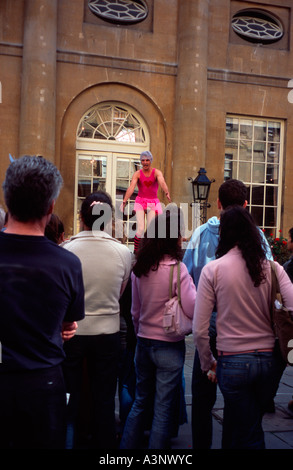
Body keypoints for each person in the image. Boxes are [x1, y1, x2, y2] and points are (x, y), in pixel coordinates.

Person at [0, 155, 85, 449]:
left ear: (7, 199)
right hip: (43, 383)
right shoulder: (68, 264)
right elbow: (67, 324)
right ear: (50, 207)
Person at [183, 178, 274, 449]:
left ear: (219, 204)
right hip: (243, 330)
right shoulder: (258, 239)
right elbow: (269, 279)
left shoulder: (200, 233)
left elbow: (185, 276)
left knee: (202, 398)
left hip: (208, 325)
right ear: (246, 205)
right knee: (238, 402)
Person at [193, 205, 293, 449]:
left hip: (232, 359)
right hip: (268, 360)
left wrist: (207, 362)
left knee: (247, 431)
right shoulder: (273, 268)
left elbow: (199, 328)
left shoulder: (213, 270)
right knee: (247, 423)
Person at [120, 208, 196, 449]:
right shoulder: (177, 270)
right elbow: (194, 308)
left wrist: (141, 330)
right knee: (162, 408)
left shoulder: (140, 269)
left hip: (143, 342)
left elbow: (134, 311)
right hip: (169, 346)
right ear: (173, 238)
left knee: (141, 402)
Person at [62, 190, 132, 449]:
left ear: (81, 218)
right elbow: (120, 293)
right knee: (104, 400)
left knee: (71, 398)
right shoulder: (123, 253)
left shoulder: (67, 250)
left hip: (75, 332)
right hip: (107, 332)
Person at [121, 150, 171, 252]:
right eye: (143, 160)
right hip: (140, 201)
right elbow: (131, 187)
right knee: (140, 228)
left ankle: (149, 250)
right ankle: (136, 251)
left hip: (152, 202)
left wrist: (166, 192)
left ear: (150, 161)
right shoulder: (137, 174)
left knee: (150, 229)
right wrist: (124, 201)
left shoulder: (156, 172)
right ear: (141, 161)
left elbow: (162, 181)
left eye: (147, 160)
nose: (145, 162)